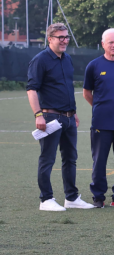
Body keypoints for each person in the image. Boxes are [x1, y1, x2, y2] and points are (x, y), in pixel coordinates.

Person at [27, 23, 93, 211]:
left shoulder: (67, 59)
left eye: (66, 37)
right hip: (49, 118)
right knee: (47, 158)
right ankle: (45, 199)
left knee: (70, 158)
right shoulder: (40, 60)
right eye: (60, 37)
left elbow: (66, 89)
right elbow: (32, 89)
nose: (64, 40)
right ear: (50, 39)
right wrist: (38, 115)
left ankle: (71, 198)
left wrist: (74, 112)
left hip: (69, 118)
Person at [83, 28, 114, 208]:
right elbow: (87, 93)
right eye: (110, 42)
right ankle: (98, 197)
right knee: (99, 161)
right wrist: (101, 107)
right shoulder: (94, 65)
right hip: (101, 122)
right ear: (103, 44)